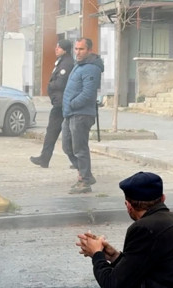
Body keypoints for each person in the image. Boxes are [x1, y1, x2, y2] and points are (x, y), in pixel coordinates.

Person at [62, 38, 104, 194]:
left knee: (80, 149)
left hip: (80, 114)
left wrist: (72, 103)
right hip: (70, 114)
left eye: (81, 49)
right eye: (76, 49)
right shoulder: (79, 65)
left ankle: (85, 181)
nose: (77, 52)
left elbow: (88, 93)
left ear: (89, 50)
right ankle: (86, 175)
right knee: (67, 147)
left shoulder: (91, 68)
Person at [30, 39, 74, 168]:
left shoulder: (66, 63)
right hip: (59, 103)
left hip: (61, 104)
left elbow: (61, 83)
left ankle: (45, 159)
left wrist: (50, 85)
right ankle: (46, 158)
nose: (56, 49)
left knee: (54, 132)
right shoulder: (63, 61)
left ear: (64, 50)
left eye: (58, 47)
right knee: (60, 132)